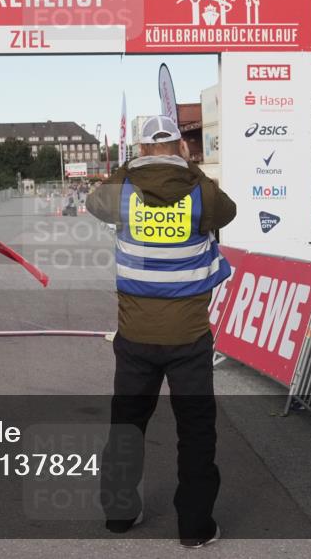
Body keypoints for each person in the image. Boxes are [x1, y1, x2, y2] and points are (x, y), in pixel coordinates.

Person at [86, 115, 236, 548]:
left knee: (127, 427)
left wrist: (130, 166)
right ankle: (194, 527)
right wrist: (188, 166)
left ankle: (118, 516)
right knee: (195, 431)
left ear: (142, 149)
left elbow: (96, 203)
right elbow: (227, 208)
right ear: (179, 148)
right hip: (189, 337)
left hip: (134, 336)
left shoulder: (123, 191)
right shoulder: (200, 191)